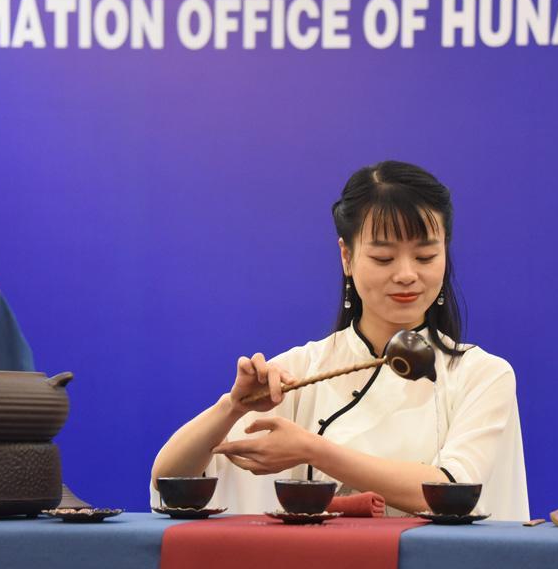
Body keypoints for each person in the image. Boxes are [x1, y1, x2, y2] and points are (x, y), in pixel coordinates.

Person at [151, 161, 528, 520]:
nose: (406, 274)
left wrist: (312, 450)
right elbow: (169, 479)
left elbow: (452, 490)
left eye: (426, 256)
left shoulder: (481, 375)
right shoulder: (299, 371)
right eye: (383, 258)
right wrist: (232, 407)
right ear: (346, 256)